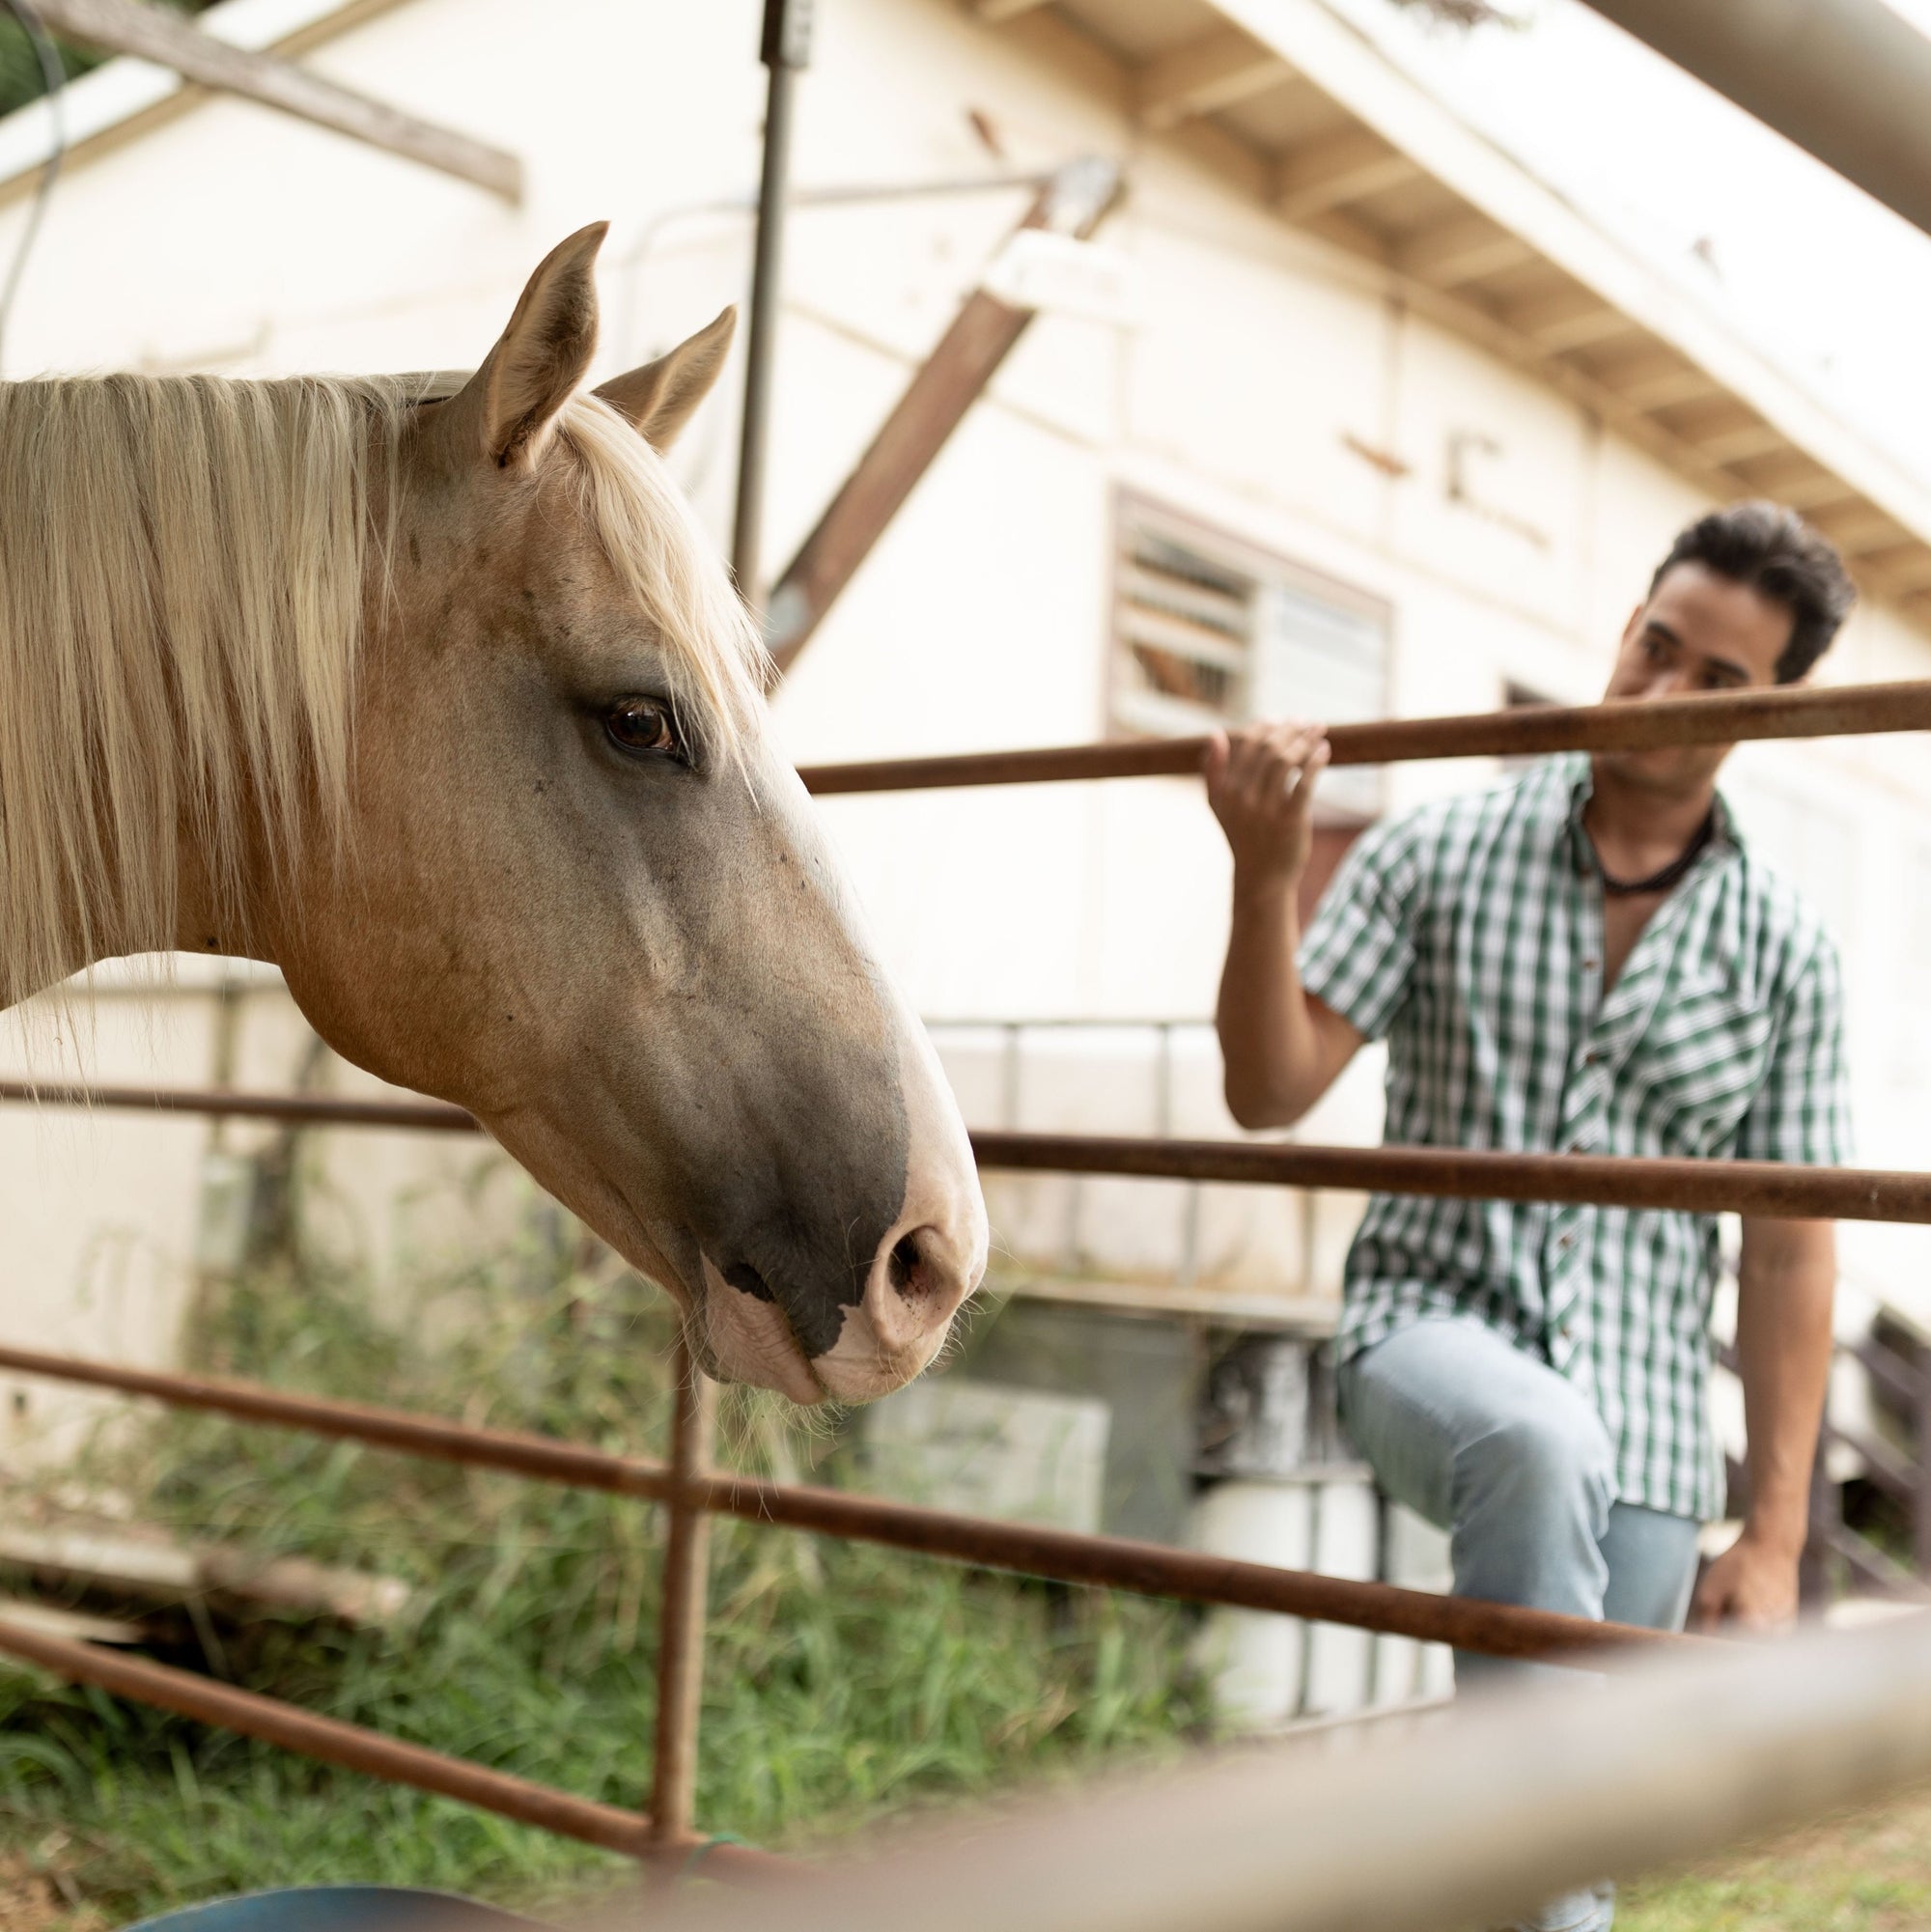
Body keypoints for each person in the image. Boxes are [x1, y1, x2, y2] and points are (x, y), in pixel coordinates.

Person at [1207, 501, 1855, 1932]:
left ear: (1782, 712)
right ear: (1626, 627)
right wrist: (1266, 875)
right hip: (1427, 1338)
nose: (1663, 693)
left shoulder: (1788, 955)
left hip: (1652, 1426)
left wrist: (1771, 1531)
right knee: (1534, 1443)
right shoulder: (1444, 846)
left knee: (1573, 1805)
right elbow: (1270, 1086)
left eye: (1718, 683)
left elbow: (1792, 1245)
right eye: (1655, 645)